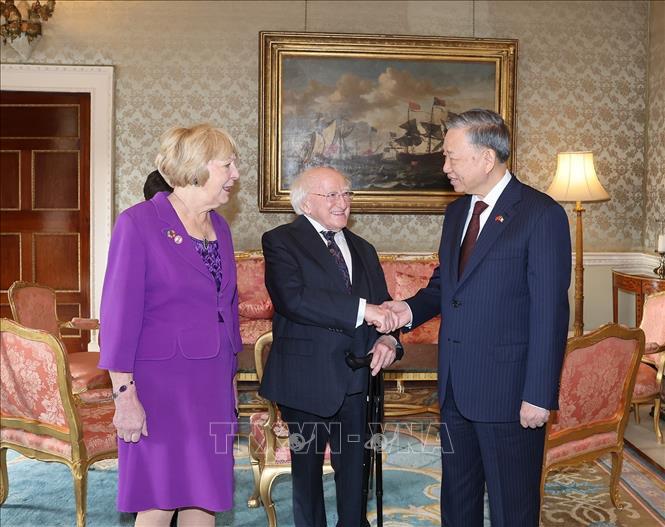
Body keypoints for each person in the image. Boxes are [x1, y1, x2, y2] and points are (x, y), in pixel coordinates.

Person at [384, 109, 571, 526]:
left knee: (511, 510)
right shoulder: (457, 214)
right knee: (458, 503)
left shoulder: (541, 215)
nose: (444, 166)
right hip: (455, 388)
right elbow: (445, 287)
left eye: (451, 157)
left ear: (487, 158)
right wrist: (406, 310)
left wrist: (539, 393)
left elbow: (550, 311)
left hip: (510, 394)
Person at [99, 124, 242, 527]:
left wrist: (231, 377)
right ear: (197, 167)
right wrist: (123, 395)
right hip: (160, 386)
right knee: (158, 498)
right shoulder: (139, 223)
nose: (235, 174)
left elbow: (226, 307)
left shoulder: (221, 227)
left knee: (206, 494)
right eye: (228, 164)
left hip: (211, 382)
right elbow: (118, 316)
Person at [259, 166, 401, 527]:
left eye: (347, 194)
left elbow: (383, 305)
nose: (343, 203)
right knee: (307, 481)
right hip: (306, 381)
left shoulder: (363, 248)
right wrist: (362, 310)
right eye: (332, 195)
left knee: (356, 476)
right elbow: (294, 300)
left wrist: (388, 338)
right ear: (306, 203)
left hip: (357, 381)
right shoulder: (280, 241)